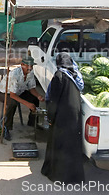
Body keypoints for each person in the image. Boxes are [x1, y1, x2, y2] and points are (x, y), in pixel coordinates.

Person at [41, 52, 85, 184]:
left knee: (60, 144)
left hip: (62, 115)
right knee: (72, 145)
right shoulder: (75, 75)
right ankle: (74, 178)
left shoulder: (59, 76)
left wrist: (50, 117)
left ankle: (60, 176)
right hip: (74, 114)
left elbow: (53, 100)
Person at [0, 55, 44, 141]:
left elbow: (31, 88)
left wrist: (38, 96)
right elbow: (12, 95)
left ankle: (32, 122)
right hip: (3, 93)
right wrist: (27, 104)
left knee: (34, 99)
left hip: (19, 91)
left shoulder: (30, 72)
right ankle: (6, 128)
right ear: (22, 65)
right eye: (28, 66)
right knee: (13, 103)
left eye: (32, 66)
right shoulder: (15, 74)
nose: (31, 68)